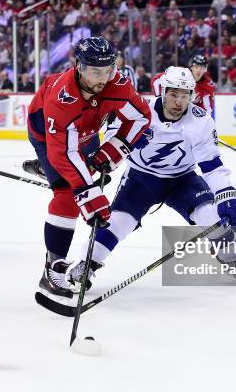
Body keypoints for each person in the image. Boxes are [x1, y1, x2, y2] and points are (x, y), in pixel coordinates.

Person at [66, 67, 236, 289]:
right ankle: (87, 264)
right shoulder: (139, 111)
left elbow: (212, 167)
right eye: (173, 94)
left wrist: (227, 195)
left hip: (183, 179)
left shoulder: (200, 121)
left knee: (211, 214)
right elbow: (111, 141)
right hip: (141, 179)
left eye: (184, 95)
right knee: (120, 222)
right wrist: (126, 140)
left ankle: (230, 257)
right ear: (162, 91)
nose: (179, 102)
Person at [25, 36, 151, 298]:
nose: (103, 78)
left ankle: (48, 171)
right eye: (95, 71)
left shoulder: (116, 83)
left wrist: (113, 151)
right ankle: (53, 270)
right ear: (79, 67)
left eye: (108, 69)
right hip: (49, 137)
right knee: (68, 196)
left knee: (85, 176)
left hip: (88, 130)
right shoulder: (62, 97)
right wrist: (87, 194)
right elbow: (64, 152)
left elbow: (141, 117)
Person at [151, 55, 216, 119]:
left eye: (202, 68)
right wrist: (160, 98)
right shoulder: (182, 74)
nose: (199, 70)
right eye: (196, 67)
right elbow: (157, 80)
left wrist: (205, 123)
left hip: (188, 117)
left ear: (205, 69)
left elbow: (208, 109)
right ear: (191, 67)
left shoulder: (208, 85)